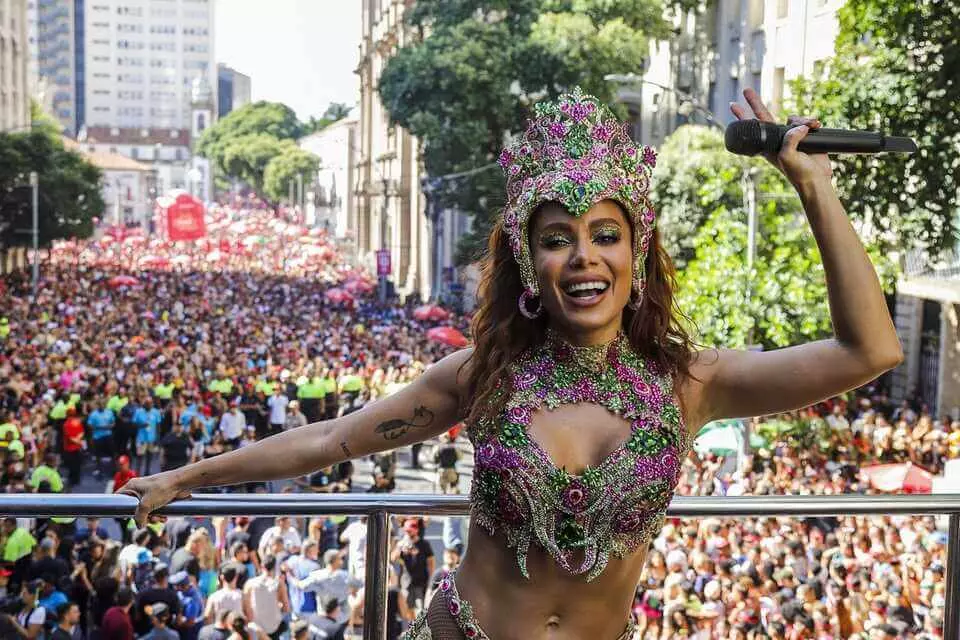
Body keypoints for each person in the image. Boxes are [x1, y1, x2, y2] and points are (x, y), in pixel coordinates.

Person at [120, 87, 904, 639]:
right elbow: (332, 442)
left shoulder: (690, 383)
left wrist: (813, 188)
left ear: (637, 253)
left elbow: (868, 350)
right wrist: (188, 477)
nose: (584, 257)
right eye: (558, 237)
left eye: (606, 234)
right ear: (531, 264)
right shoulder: (481, 376)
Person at [242, 555, 288, 640]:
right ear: (275, 567)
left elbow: (245, 606)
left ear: (262, 566)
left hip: (256, 628)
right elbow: (286, 608)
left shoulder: (250, 583)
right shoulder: (279, 584)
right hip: (274, 627)